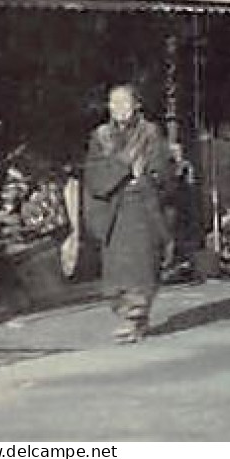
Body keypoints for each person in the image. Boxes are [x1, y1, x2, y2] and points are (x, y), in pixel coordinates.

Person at [82, 83, 173, 344]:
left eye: (125, 103)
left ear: (137, 105)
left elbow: (160, 169)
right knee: (117, 270)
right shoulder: (100, 137)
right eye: (114, 103)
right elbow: (95, 175)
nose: (120, 109)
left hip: (141, 207)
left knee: (141, 265)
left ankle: (134, 318)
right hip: (113, 210)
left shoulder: (150, 133)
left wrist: (146, 178)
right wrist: (122, 166)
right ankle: (130, 316)